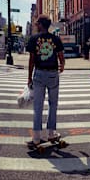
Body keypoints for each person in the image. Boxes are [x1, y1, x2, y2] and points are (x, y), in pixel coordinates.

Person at [26, 14, 65, 147]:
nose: (36, 25)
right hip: (52, 74)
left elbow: (31, 60)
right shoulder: (55, 38)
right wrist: (62, 66)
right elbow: (61, 56)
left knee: (38, 106)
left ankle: (36, 138)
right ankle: (51, 134)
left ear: (41, 25)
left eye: (37, 23)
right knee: (53, 104)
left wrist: (29, 77)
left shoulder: (34, 39)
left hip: (39, 74)